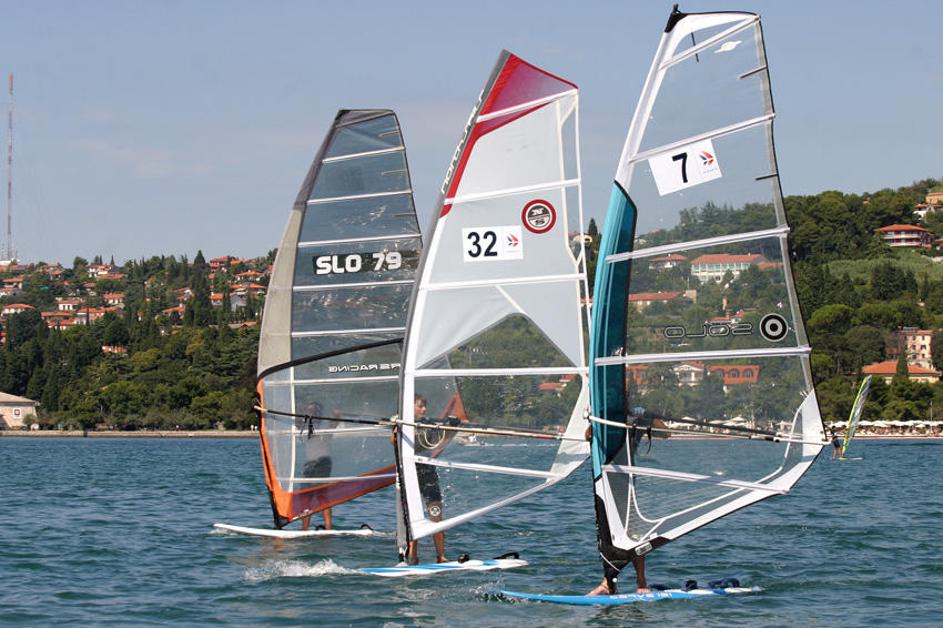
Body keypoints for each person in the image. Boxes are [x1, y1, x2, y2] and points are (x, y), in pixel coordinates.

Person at [585, 419, 650, 596]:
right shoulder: (604, 416)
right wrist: (594, 421)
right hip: (605, 482)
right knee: (607, 533)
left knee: (633, 532)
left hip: (626, 482)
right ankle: (608, 583)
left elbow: (665, 433)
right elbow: (587, 436)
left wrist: (647, 415)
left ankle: (641, 581)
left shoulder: (637, 420)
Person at [392, 395, 449, 564]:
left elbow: (440, 443)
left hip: (428, 472)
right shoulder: (401, 423)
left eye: (425, 406)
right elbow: (393, 442)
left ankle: (441, 556)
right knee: (412, 517)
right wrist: (396, 430)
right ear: (410, 407)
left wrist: (452, 427)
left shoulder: (429, 424)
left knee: (436, 513)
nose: (424, 409)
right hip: (409, 473)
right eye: (420, 406)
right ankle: (412, 557)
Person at [299, 402, 333, 530]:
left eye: (313, 411)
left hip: (322, 462)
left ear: (319, 413)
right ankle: (304, 529)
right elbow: (296, 417)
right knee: (305, 497)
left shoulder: (325, 425)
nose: (311, 413)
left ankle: (328, 528)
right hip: (309, 464)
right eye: (309, 410)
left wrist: (336, 414)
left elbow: (333, 424)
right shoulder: (306, 424)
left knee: (321, 495)